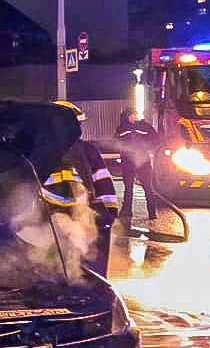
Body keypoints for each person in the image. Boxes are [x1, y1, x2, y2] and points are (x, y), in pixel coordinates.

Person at [42, 101, 119, 277]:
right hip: (52, 219)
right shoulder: (42, 152)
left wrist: (109, 214)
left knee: (86, 268)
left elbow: (102, 182)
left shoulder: (87, 150)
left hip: (84, 216)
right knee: (56, 267)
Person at [115, 108, 160, 221]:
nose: (135, 117)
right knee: (128, 187)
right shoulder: (122, 128)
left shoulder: (144, 126)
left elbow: (155, 140)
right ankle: (127, 211)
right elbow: (117, 141)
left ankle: (152, 212)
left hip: (143, 160)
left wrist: (146, 147)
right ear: (127, 116)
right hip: (127, 161)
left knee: (148, 187)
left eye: (136, 114)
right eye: (133, 115)